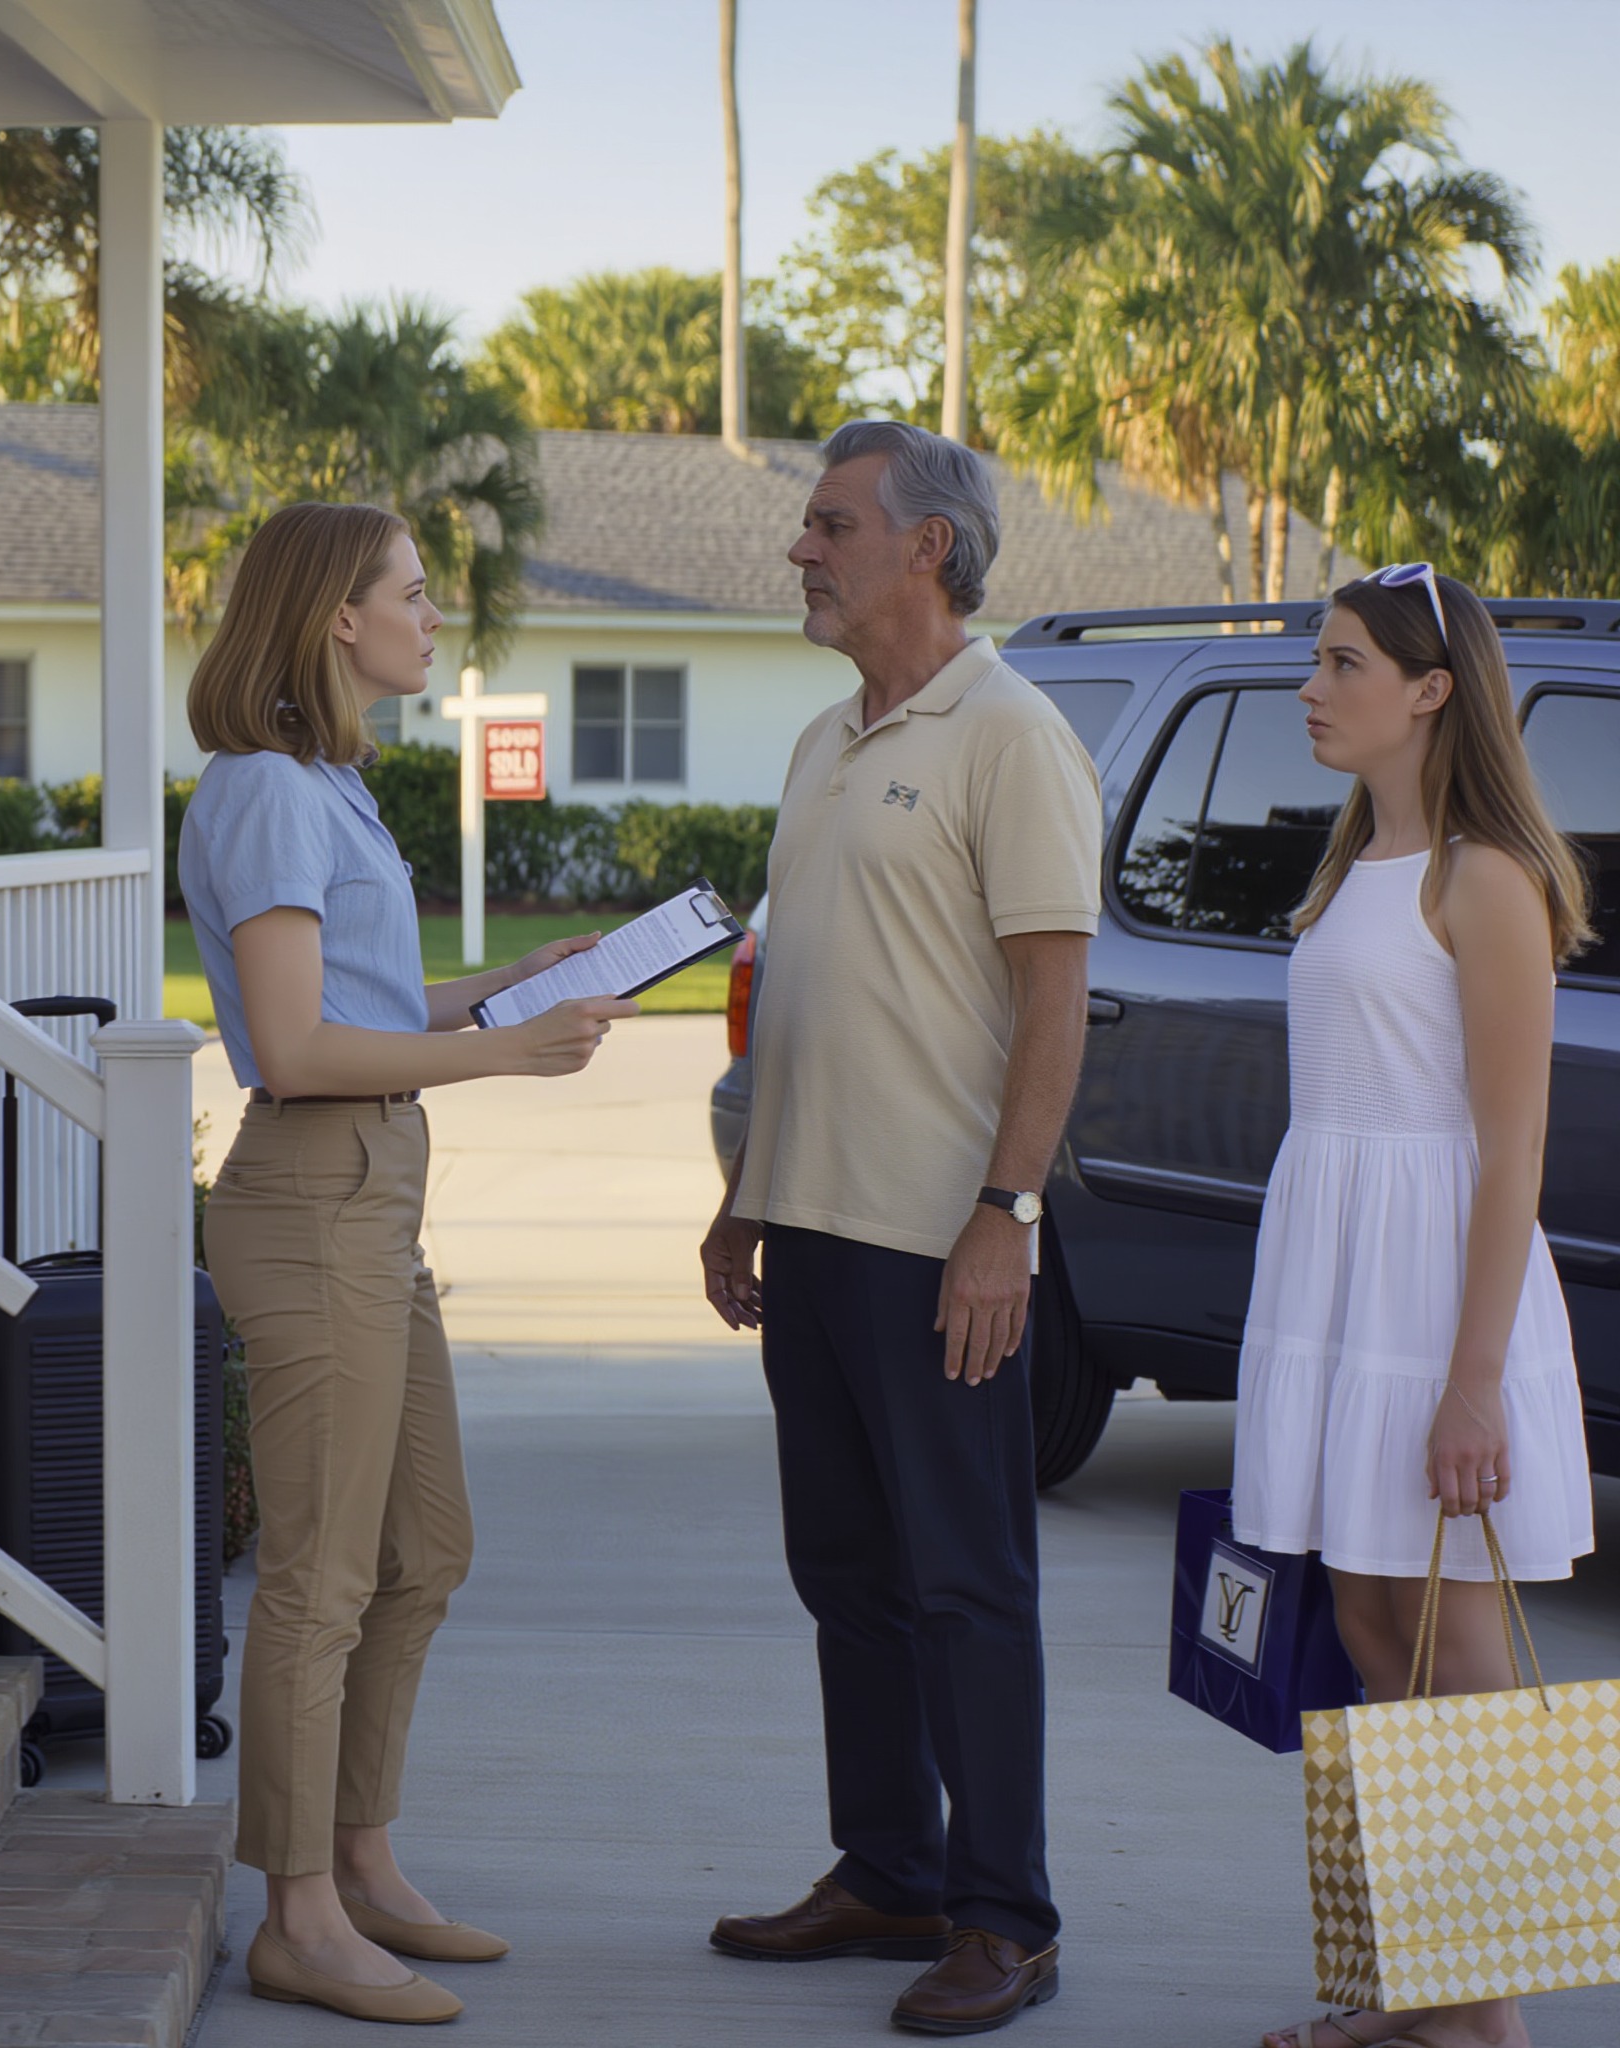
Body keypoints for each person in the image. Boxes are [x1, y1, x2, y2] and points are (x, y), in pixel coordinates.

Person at [179, 500, 636, 2027]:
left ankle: (361, 1860)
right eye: (414, 595)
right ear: (333, 620)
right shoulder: (261, 791)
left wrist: (503, 985)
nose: (434, 620)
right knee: (319, 1573)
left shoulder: (330, 786)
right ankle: (294, 1913)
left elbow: (361, 996)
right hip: (313, 1193)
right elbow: (297, 1046)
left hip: (373, 1191)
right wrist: (506, 1055)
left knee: (421, 1545)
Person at [699, 420, 1099, 2036]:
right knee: (847, 1573)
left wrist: (1006, 1215)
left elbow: (1057, 995)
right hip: (809, 1229)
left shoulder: (1012, 735)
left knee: (968, 1587)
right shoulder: (824, 741)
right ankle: (889, 1871)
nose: (801, 551)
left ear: (928, 547)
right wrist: (741, 1197)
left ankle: (1006, 1915)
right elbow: (803, 993)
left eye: (830, 524)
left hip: (944, 1248)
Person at [1240, 567, 1594, 2048]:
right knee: (1376, 1622)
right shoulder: (1347, 871)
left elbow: (1511, 1146)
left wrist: (1471, 1386)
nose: (1312, 689)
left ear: (1431, 689)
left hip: (1436, 1300)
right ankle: (1416, 1985)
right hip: (1335, 1282)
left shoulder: (1483, 878)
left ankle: (1485, 2017)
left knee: (1454, 1650)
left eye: (1341, 664)